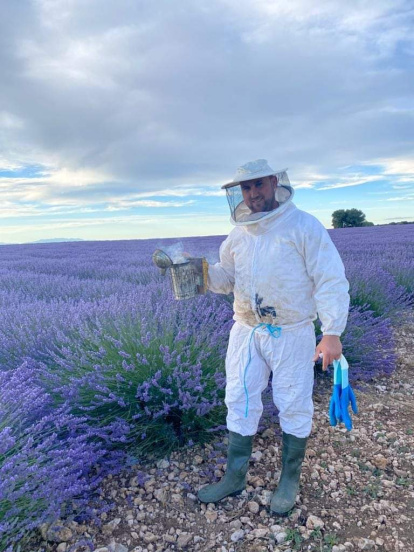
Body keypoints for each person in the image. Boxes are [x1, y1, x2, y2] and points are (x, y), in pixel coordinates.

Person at [197, 159, 350, 515]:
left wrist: (332, 333)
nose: (253, 194)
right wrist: (197, 271)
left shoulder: (303, 226)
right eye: (246, 188)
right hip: (246, 332)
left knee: (293, 401)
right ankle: (234, 477)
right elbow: (227, 280)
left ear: (274, 183)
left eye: (258, 186)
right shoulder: (238, 235)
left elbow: (330, 279)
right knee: (239, 397)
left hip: (292, 332)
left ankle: (289, 479)